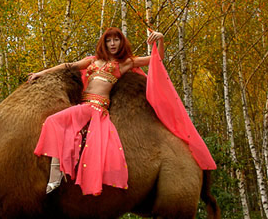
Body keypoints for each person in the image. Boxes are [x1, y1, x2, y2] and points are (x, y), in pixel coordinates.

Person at [29, 27, 216, 196]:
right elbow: (67, 66)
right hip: (83, 106)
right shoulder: (92, 62)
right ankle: (58, 172)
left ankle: (56, 175)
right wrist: (41, 73)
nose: (112, 44)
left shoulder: (124, 63)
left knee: (55, 123)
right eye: (109, 40)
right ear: (104, 42)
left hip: (96, 108)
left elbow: (156, 59)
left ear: (121, 42)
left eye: (116, 40)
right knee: (61, 128)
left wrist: (160, 40)